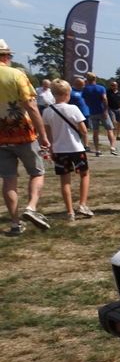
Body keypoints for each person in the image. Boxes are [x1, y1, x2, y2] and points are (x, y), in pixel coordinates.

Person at [0, 39, 52, 235]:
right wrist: (43, 135)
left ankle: (15, 224)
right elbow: (31, 106)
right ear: (6, 56)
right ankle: (31, 207)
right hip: (23, 133)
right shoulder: (16, 75)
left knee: (9, 180)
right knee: (37, 172)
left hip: (1, 137)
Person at [42, 79, 92, 222]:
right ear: (66, 94)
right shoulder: (73, 109)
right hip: (76, 148)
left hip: (59, 149)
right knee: (84, 174)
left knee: (65, 180)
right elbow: (84, 131)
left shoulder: (47, 111)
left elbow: (48, 135)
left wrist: (51, 150)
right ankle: (82, 204)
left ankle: (70, 211)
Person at [82, 72, 117, 156]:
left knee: (95, 132)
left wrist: (90, 106)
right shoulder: (101, 88)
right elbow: (104, 99)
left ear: (87, 79)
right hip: (102, 112)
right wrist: (105, 110)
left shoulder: (86, 89)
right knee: (110, 130)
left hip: (93, 112)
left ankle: (97, 150)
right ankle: (112, 147)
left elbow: (86, 101)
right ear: (95, 78)